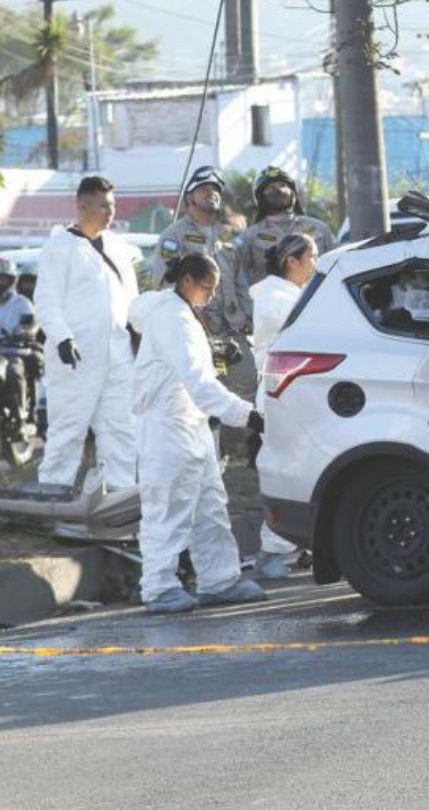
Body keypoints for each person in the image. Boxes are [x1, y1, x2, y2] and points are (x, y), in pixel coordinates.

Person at [129, 252, 268, 613]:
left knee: (210, 507)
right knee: (168, 510)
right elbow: (200, 384)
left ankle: (219, 580)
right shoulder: (172, 319)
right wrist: (248, 415)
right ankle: (158, 588)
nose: (211, 295)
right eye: (207, 287)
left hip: (190, 423)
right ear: (187, 280)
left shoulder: (182, 312)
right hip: (167, 428)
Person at [34, 175, 138, 496]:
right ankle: (53, 491)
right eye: (104, 206)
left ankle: (119, 494)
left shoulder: (118, 247)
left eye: (113, 205)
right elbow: (46, 300)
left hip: (118, 355)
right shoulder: (59, 246)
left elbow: (132, 299)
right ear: (82, 206)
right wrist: (62, 338)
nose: (111, 212)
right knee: (68, 429)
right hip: (76, 357)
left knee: (121, 428)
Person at [247, 233, 317, 578]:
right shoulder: (276, 299)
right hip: (280, 397)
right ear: (292, 261)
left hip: (295, 396)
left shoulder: (291, 294)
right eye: (312, 256)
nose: (315, 264)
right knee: (287, 473)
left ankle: (298, 546)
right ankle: (272, 552)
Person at [150, 165, 245, 336]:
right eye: (204, 188)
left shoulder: (228, 235)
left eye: (215, 189)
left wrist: (248, 319)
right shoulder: (173, 236)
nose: (212, 193)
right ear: (189, 198)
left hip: (235, 329)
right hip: (194, 329)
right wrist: (191, 314)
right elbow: (163, 285)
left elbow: (241, 282)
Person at [233, 166, 335, 319]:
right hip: (272, 313)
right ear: (260, 197)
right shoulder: (250, 235)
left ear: (293, 192)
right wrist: (249, 311)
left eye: (283, 185)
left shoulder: (319, 228)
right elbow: (237, 277)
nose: (279, 190)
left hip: (315, 309)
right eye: (271, 187)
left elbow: (335, 266)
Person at [0, 256, 38, 425]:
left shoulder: (22, 303)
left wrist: (26, 332)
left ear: (12, 280)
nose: (0, 283)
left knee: (14, 371)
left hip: (13, 352)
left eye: (3, 279)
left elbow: (32, 324)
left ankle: (20, 415)